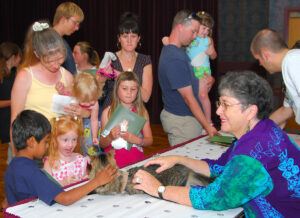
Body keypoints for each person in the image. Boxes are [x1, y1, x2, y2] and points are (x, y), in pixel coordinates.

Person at [133, 71, 300, 217]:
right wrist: (178, 159)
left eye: (226, 105)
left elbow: (212, 198)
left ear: (250, 111)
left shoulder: (250, 155)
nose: (218, 111)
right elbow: (219, 166)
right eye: (219, 103)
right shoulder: (262, 129)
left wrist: (158, 189)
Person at [5, 110, 117, 206]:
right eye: (46, 142)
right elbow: (65, 199)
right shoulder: (31, 171)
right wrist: (97, 181)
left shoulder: (13, 166)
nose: (48, 145)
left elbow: (7, 202)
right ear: (32, 142)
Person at [10, 21, 76, 157]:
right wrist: (18, 156)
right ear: (37, 54)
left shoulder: (67, 76)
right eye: (50, 61)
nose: (56, 65)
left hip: (59, 150)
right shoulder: (25, 76)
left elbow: (75, 116)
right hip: (30, 150)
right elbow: (14, 121)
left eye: (60, 59)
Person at [158, 10, 217, 146]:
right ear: (180, 27)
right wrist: (208, 126)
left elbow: (192, 77)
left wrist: (209, 80)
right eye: (193, 31)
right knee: (184, 165)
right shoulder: (174, 58)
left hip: (188, 119)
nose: (195, 36)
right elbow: (188, 98)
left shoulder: (179, 52)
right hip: (183, 122)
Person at [251, 29, 300, 144]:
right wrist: (257, 130)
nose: (260, 64)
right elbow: (286, 110)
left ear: (265, 55)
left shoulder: (293, 60)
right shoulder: (290, 63)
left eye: (259, 59)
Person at [100, 71, 153, 168]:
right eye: (124, 88)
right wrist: (110, 137)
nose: (129, 92)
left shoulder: (142, 112)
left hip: (136, 161)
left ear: (138, 91)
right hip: (113, 165)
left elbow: (149, 140)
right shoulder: (107, 113)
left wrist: (138, 140)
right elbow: (102, 144)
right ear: (117, 89)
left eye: (133, 89)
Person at [111, 12, 153, 103]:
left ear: (138, 39)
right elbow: (98, 91)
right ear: (119, 38)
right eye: (125, 36)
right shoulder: (110, 59)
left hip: (135, 113)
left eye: (133, 36)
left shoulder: (145, 60)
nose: (129, 41)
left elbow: (146, 98)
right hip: (112, 112)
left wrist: (120, 75)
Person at [186, 11, 217, 126]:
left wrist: (212, 52)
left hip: (203, 71)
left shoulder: (208, 40)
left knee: (203, 95)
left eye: (208, 30)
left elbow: (214, 56)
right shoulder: (190, 38)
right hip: (190, 71)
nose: (206, 32)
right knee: (195, 98)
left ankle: (208, 121)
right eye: (204, 28)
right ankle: (198, 121)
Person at [43, 115, 89, 187]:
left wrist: (85, 180)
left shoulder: (80, 159)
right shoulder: (50, 163)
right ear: (55, 140)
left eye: (74, 139)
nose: (70, 145)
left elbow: (85, 181)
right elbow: (46, 187)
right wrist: (65, 182)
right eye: (65, 140)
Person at [53, 2, 84, 75]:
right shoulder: (48, 41)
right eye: (75, 23)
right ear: (63, 19)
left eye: (78, 25)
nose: (77, 28)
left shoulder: (61, 41)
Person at [0, 42, 21, 145]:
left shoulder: (13, 73)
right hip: (4, 119)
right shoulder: (2, 76)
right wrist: (13, 101)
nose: (20, 59)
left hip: (9, 117)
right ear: (13, 57)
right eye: (19, 56)